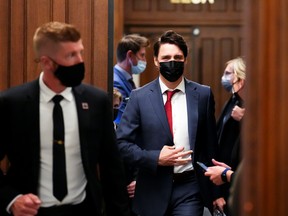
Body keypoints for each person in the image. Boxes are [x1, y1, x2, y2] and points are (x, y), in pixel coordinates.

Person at [0, 21, 130, 216]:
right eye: (71, 55)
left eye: (80, 52)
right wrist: (11, 199)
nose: (80, 60)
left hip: (84, 209)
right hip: (32, 211)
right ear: (46, 62)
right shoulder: (12, 103)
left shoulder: (97, 101)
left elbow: (112, 165)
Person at [117, 30, 218, 216]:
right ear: (156, 60)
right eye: (166, 57)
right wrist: (155, 158)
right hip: (151, 187)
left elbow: (210, 145)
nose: (172, 62)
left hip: (190, 187)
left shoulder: (203, 95)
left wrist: (216, 193)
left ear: (185, 59)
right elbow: (121, 145)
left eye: (178, 57)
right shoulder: (139, 97)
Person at [212, 57, 246, 215]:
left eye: (228, 74)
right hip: (225, 176)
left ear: (240, 78)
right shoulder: (232, 101)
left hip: (238, 179)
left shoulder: (247, 106)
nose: (224, 78)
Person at [113, 34, 150, 125]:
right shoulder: (115, 82)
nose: (144, 60)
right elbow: (122, 118)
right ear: (130, 55)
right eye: (142, 55)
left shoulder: (127, 79)